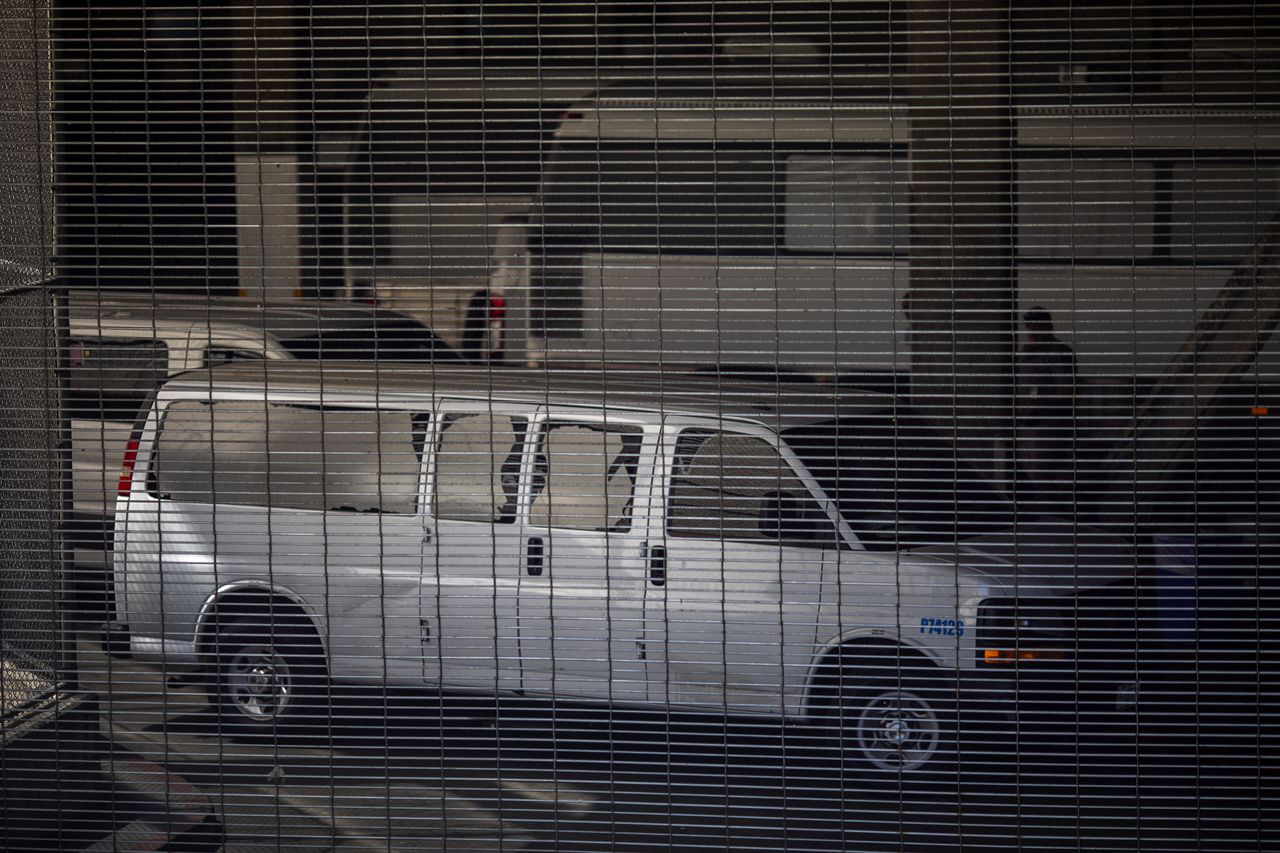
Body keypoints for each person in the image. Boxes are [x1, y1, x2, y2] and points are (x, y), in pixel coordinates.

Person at [1016, 307, 1077, 517]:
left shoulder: (1058, 353)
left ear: (1048, 326)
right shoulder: (1027, 352)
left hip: (1048, 426)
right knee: (1030, 473)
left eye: (1036, 326)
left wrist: (1040, 402)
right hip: (1027, 423)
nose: (1031, 331)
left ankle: (1050, 518)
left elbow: (1068, 388)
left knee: (1045, 476)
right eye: (1028, 326)